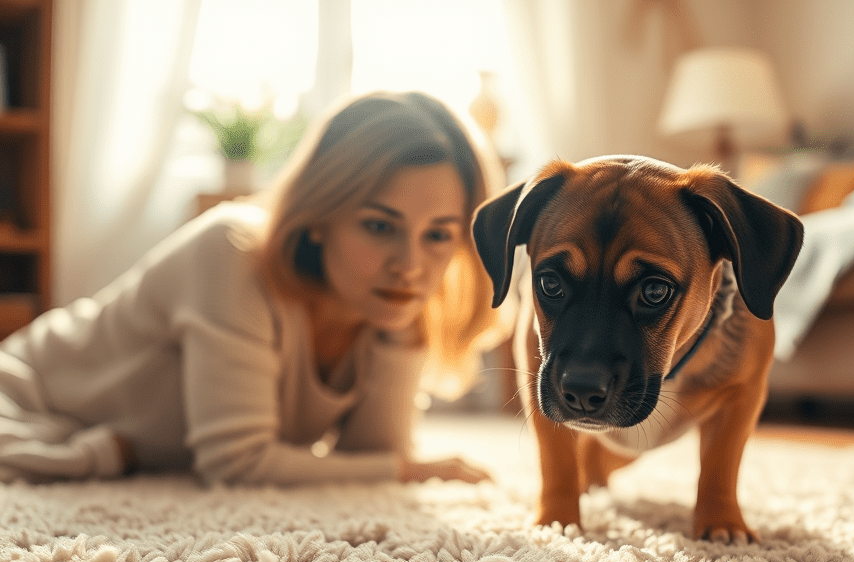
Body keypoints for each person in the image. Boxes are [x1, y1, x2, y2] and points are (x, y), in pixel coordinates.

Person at [0, 91, 510, 485]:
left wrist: (401, 332)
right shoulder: (232, 251)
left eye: (439, 235)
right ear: (318, 216)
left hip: (79, 437)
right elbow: (236, 462)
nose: (410, 265)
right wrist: (405, 472)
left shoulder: (388, 300)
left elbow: (369, 453)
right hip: (24, 398)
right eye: (380, 226)